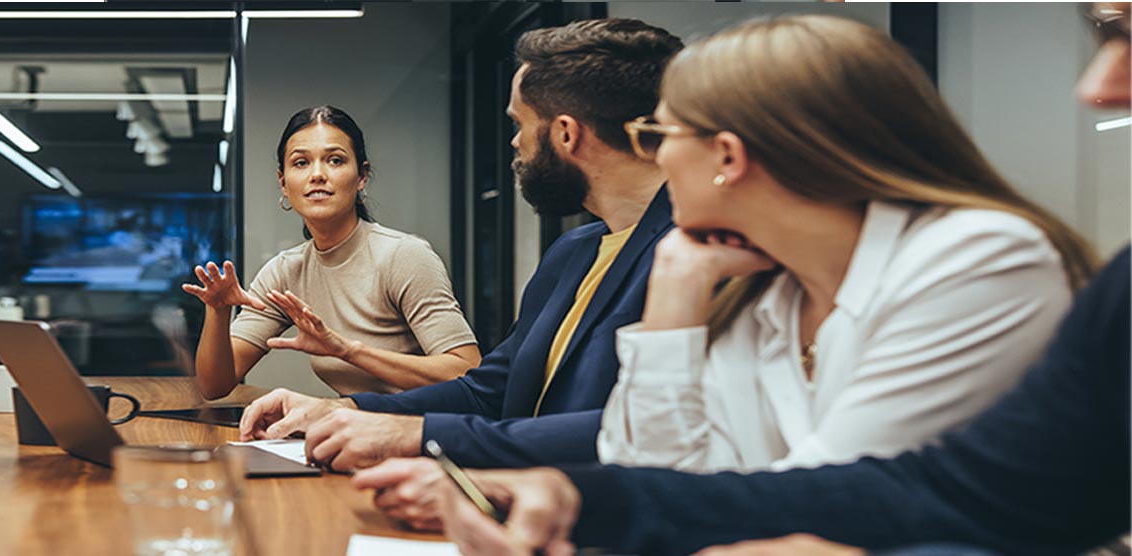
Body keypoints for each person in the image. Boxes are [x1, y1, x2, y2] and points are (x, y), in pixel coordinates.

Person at [384, 5, 1129, 555]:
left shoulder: (980, 259)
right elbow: (662, 473)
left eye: (659, 136)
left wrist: (593, 502)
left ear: (728, 158)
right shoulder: (756, 285)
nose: (654, 159)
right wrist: (675, 293)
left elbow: (833, 504)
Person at [233, 19, 685, 475]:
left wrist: (416, 435)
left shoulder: (695, 259)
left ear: (566, 134)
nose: (515, 143)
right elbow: (489, 390)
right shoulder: (573, 252)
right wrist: (342, 409)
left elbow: (646, 432)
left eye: (519, 124)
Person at [185, 105, 481, 399]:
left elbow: (465, 374)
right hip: (353, 432)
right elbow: (214, 386)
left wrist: (347, 350)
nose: (317, 174)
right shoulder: (286, 272)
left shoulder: (404, 256)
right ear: (283, 182)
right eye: (301, 163)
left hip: (423, 434)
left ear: (362, 176)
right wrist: (218, 312)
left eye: (335, 160)